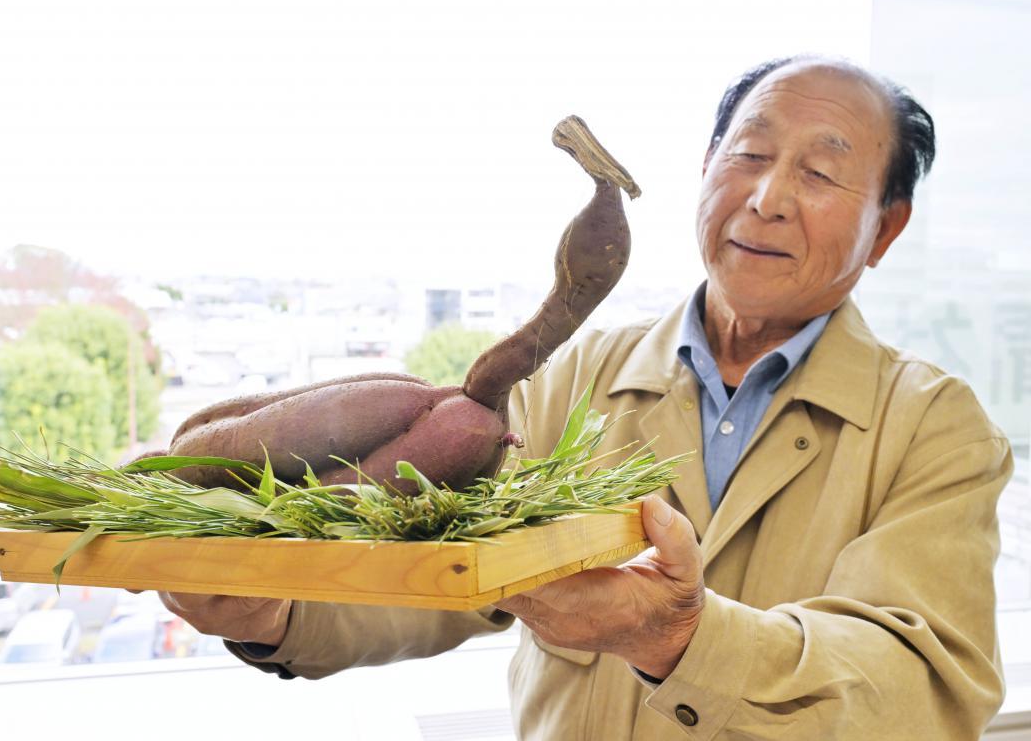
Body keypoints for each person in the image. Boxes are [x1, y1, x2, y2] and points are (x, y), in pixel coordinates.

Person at [160, 56, 1013, 739]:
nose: (767, 197)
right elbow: (441, 563)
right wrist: (281, 609)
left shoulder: (936, 429)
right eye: (748, 154)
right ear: (705, 169)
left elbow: (922, 694)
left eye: (821, 172)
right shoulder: (576, 377)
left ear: (886, 229)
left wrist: (677, 636)